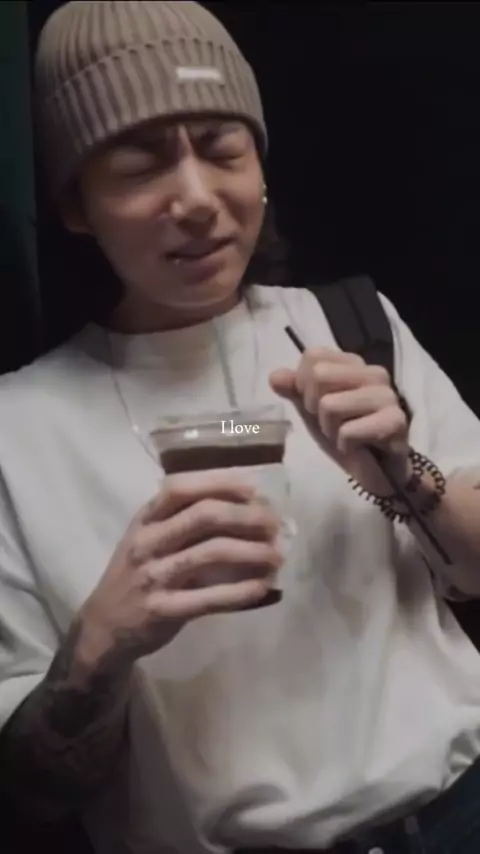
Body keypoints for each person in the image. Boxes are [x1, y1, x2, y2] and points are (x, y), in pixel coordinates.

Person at [2, 2, 480, 853]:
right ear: (77, 205)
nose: (197, 199)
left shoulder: (354, 326)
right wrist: (101, 647)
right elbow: (31, 794)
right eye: (141, 165)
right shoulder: (19, 429)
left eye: (223, 149)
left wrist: (408, 476)